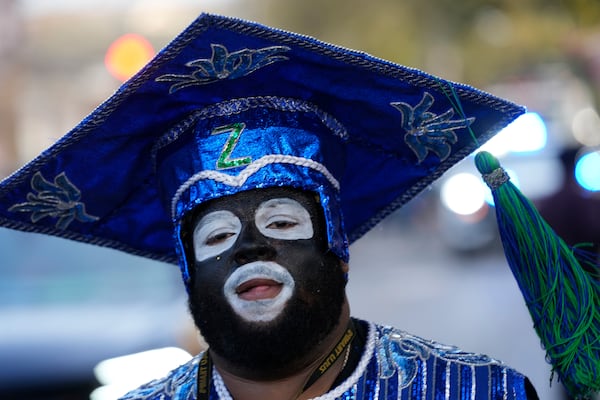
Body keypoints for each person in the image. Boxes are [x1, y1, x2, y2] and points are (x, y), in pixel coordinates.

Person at [2, 12, 597, 400]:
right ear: (187, 272)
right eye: (213, 237)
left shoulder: (471, 392)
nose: (251, 247)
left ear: (338, 250)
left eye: (282, 222)